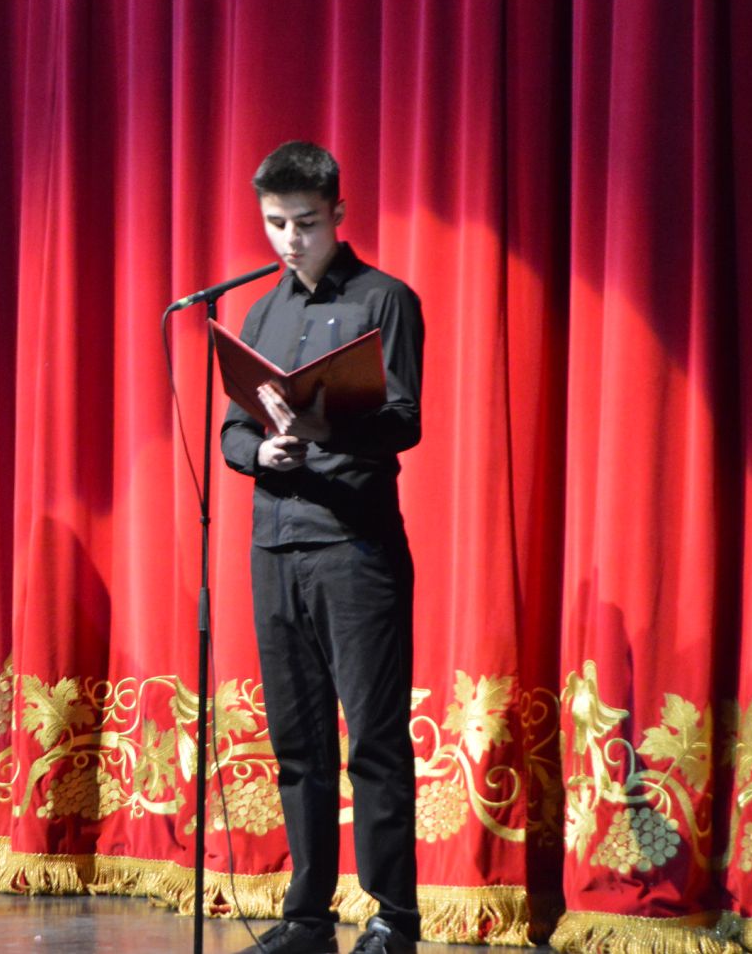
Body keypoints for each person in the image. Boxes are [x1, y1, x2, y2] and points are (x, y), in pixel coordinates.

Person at [221, 142, 424, 954]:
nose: (290, 239)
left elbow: (403, 419)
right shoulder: (258, 314)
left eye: (305, 223)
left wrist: (324, 427)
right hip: (275, 546)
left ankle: (392, 916)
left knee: (373, 737)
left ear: (338, 214)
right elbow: (233, 431)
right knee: (297, 742)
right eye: (275, 223)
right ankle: (308, 915)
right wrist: (261, 451)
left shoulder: (384, 299)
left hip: (354, 546)